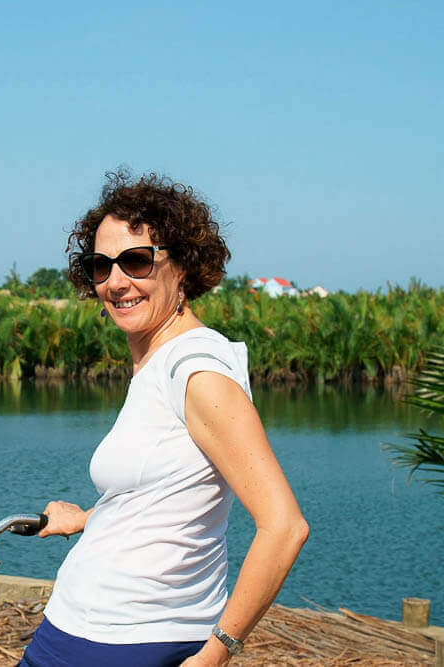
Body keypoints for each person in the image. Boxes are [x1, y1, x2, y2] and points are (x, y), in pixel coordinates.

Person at [20, 170, 309, 667]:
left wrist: (217, 653)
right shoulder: (161, 361)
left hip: (117, 641)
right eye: (101, 266)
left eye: (136, 261)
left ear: (183, 266)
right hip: (91, 630)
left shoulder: (196, 372)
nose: (116, 282)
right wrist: (89, 518)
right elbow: (174, 491)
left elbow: (284, 527)